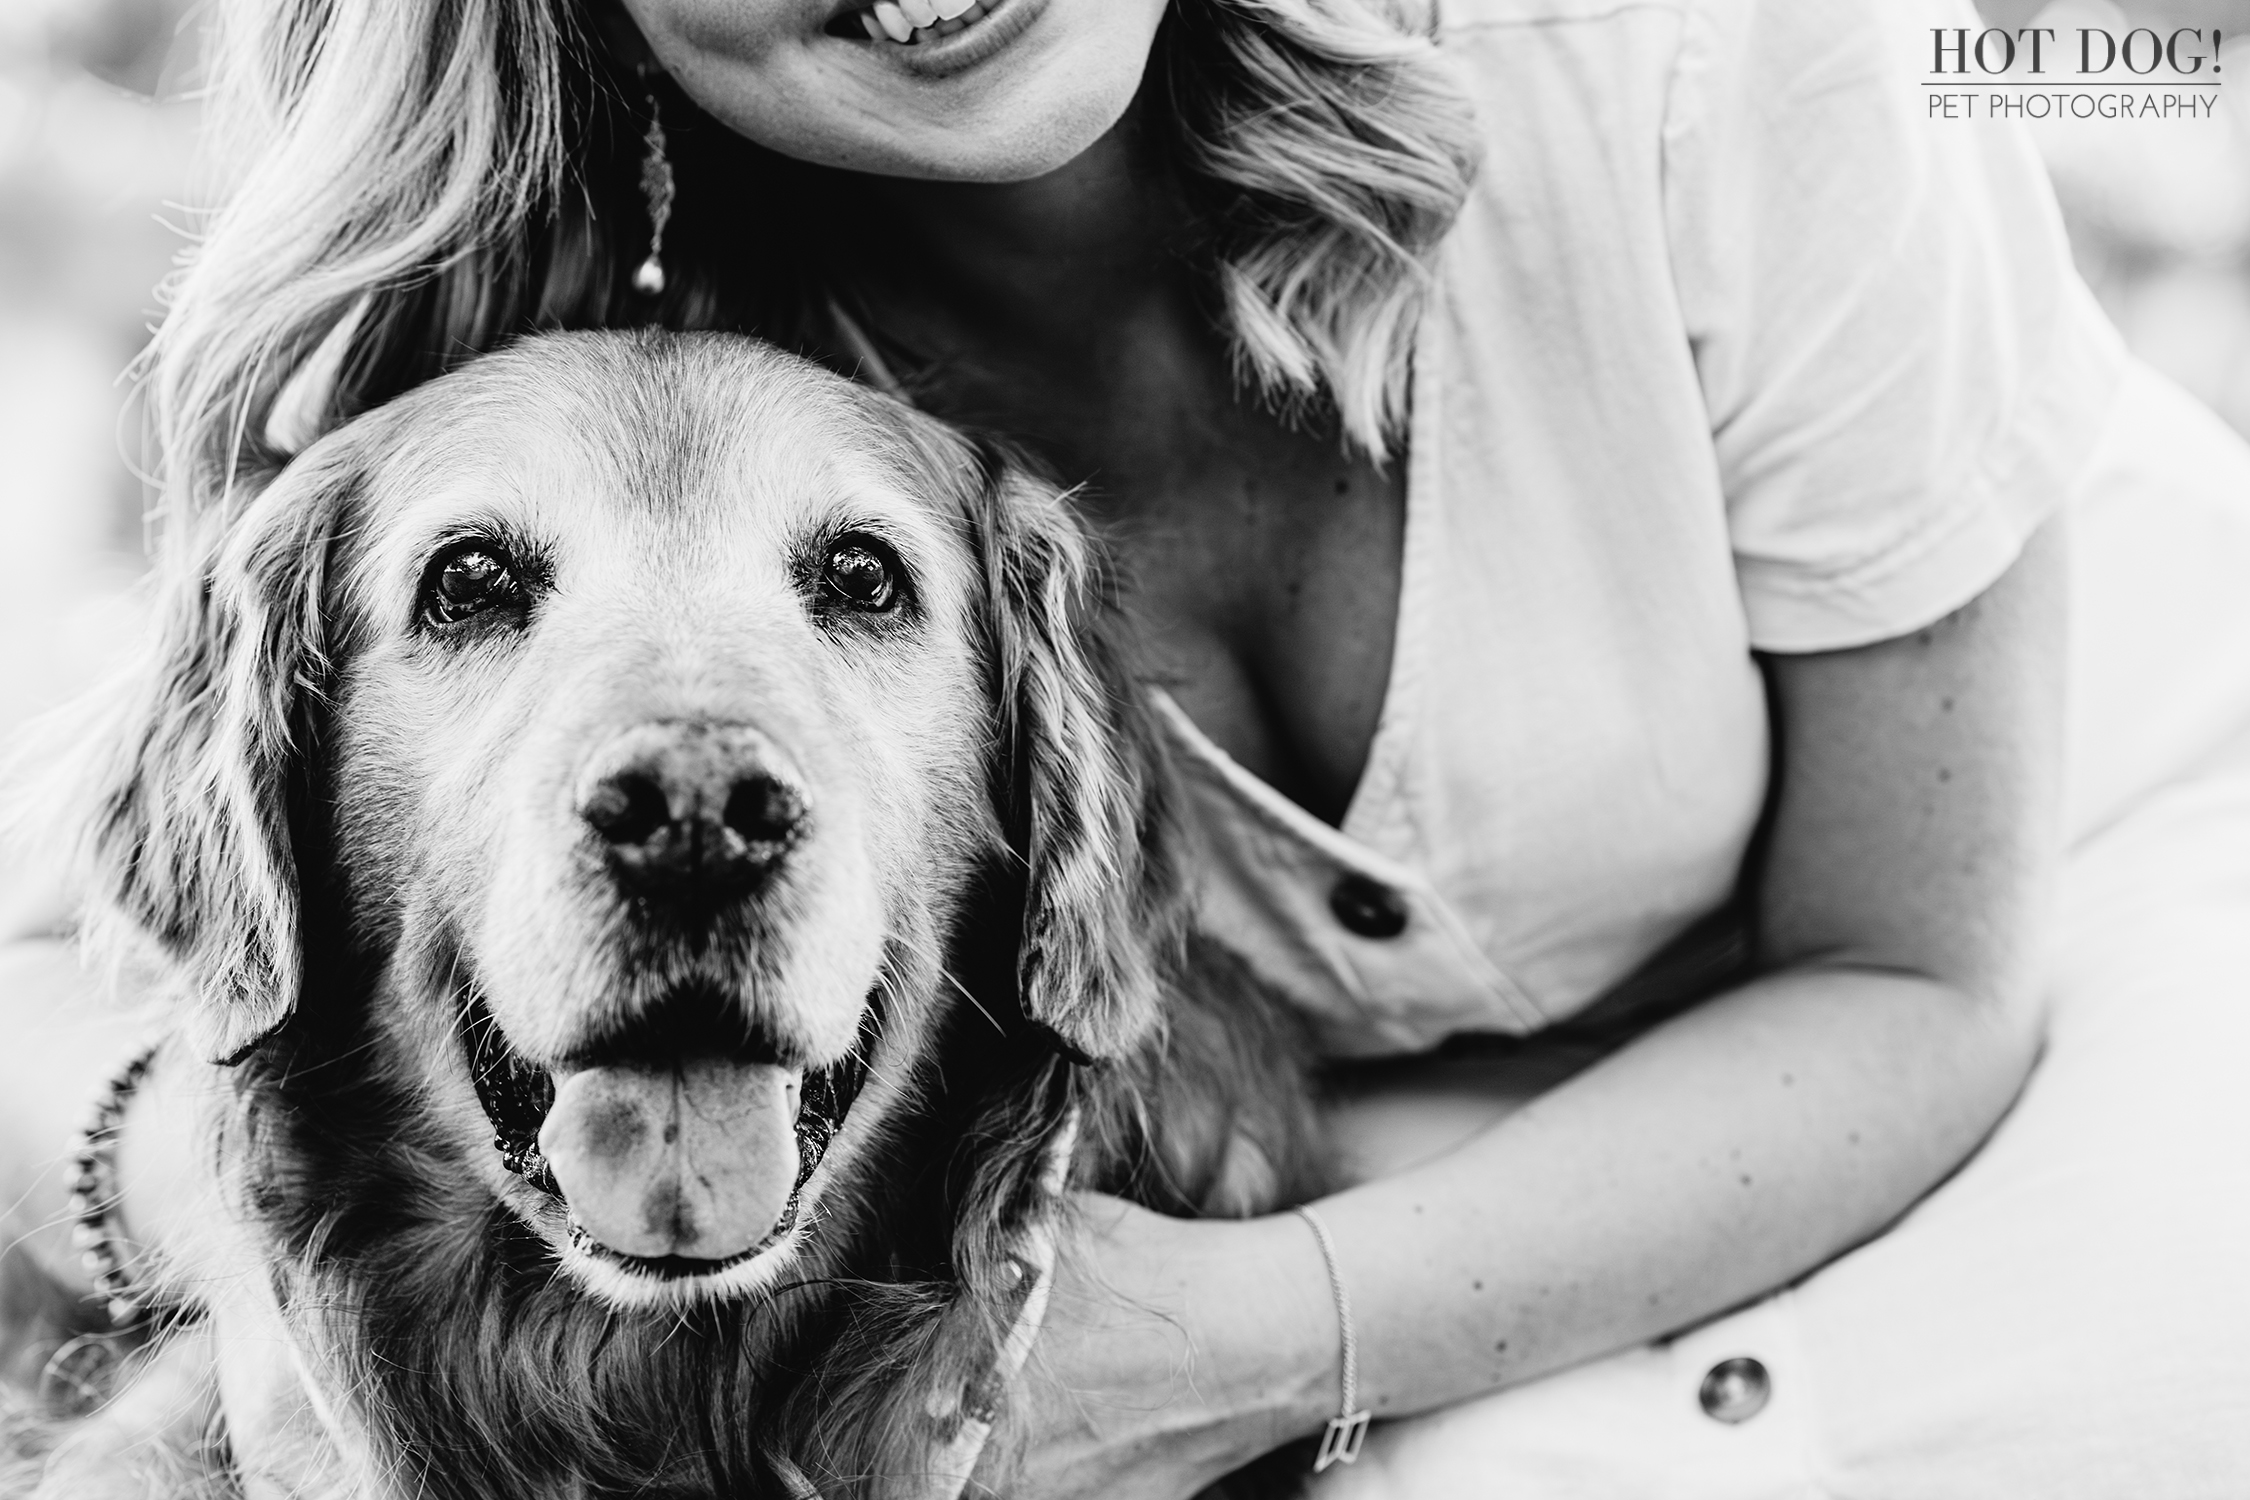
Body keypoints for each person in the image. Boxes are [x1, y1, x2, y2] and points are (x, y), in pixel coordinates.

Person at [7, 0, 2250, 1493]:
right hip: (1369, 1115)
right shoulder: (567, 374)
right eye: (490, 599)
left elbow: (1919, 981)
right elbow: (49, 970)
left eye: (863, 589)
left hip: (2082, 920)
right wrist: (218, 1211)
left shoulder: (1706, 56)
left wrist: (1249, 1336)